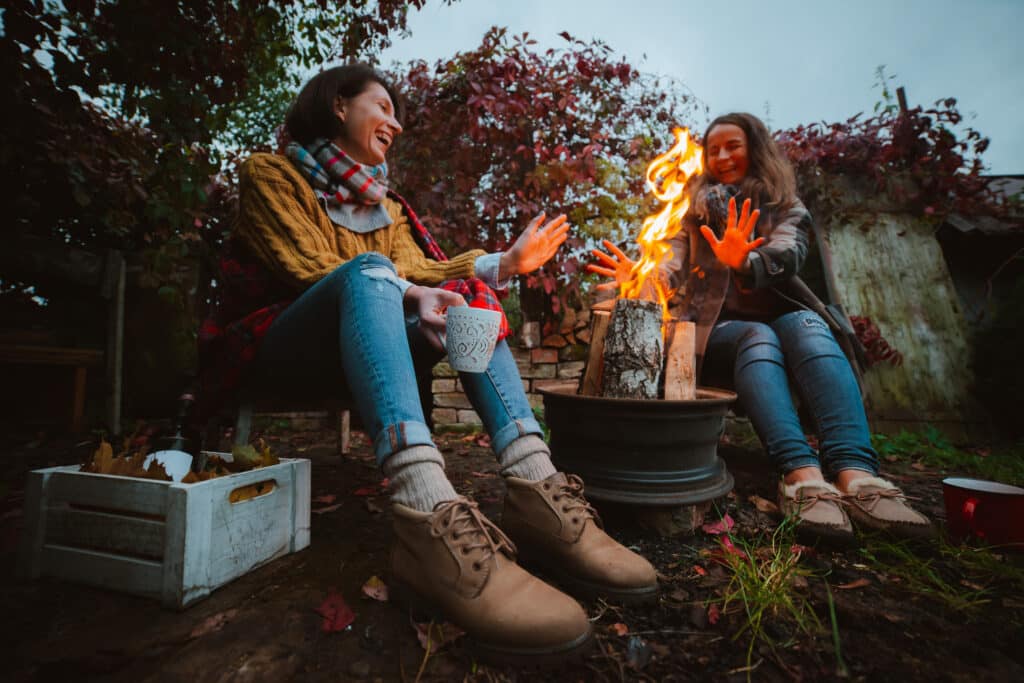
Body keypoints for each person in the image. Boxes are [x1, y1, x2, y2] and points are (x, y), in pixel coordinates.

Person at [198, 64, 656, 664]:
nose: (395, 124)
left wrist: (502, 264)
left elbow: (425, 272)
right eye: (383, 107)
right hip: (283, 347)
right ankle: (422, 503)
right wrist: (403, 290)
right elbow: (304, 265)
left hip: (367, 347)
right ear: (338, 104)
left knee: (469, 304)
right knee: (368, 274)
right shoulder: (272, 174)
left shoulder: (385, 204)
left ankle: (535, 487)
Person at [588, 112, 932, 544]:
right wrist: (641, 279)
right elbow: (668, 264)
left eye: (733, 145)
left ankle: (858, 476)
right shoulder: (691, 214)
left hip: (788, 331)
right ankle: (800, 476)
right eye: (713, 149)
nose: (722, 155)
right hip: (715, 339)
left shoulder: (788, 208)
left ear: (755, 148)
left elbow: (788, 254)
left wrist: (746, 261)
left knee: (807, 322)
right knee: (758, 335)